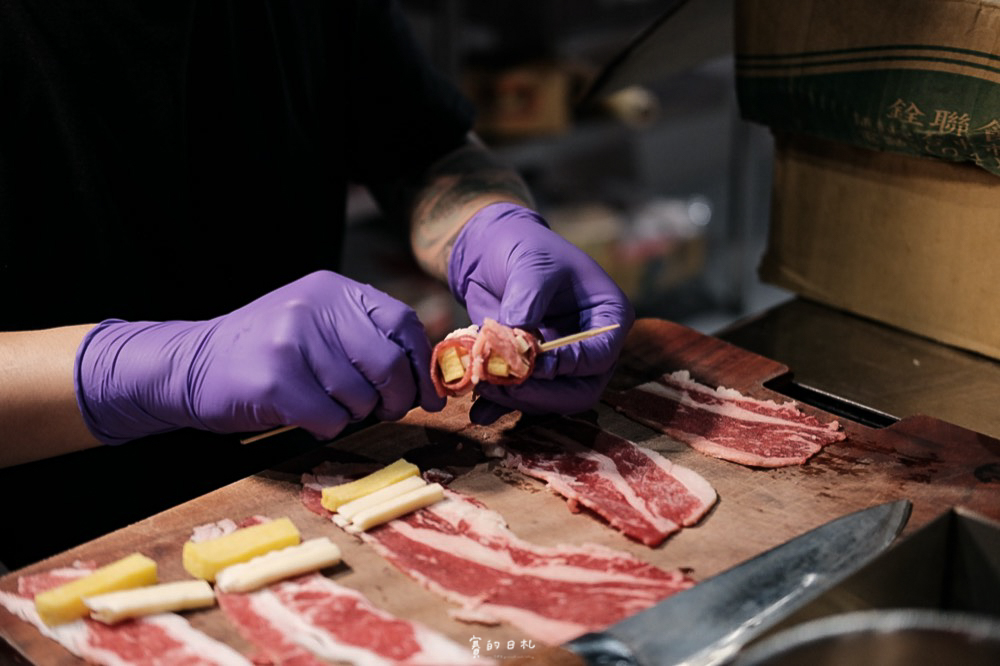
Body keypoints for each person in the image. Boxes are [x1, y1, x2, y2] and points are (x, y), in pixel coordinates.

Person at [0, 0, 632, 565]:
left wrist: (484, 223)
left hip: (329, 478)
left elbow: (419, 146)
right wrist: (148, 369)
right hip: (76, 535)